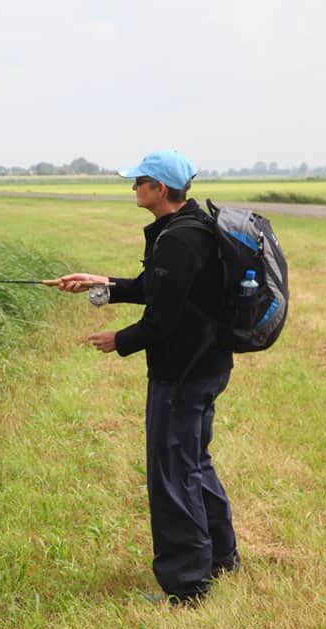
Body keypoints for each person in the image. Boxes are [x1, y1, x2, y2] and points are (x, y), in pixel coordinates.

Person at [57, 149, 239, 605]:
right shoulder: (189, 230)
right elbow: (156, 288)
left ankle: (188, 585)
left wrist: (117, 340)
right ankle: (222, 559)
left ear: (159, 189)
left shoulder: (178, 240)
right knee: (194, 463)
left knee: (173, 474)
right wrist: (99, 283)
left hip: (181, 373)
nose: (132, 187)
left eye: (138, 181)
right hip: (205, 366)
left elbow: (162, 320)